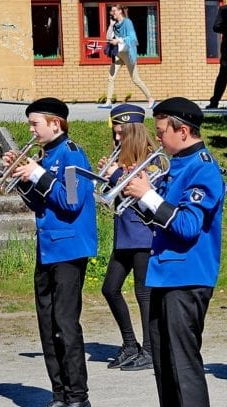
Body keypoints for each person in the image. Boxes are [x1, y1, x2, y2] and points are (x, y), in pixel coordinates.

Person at [123, 97, 224, 407]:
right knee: (164, 369)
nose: (157, 139)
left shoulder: (203, 171)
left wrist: (148, 195)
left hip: (188, 278)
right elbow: (159, 220)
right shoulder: (175, 166)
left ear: (183, 131)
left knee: (185, 369)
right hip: (163, 276)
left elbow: (185, 228)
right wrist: (135, 192)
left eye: (162, 131)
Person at [4, 98, 97, 407]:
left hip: (70, 250)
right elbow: (40, 204)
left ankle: (78, 398)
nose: (31, 130)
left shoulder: (71, 154)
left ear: (55, 123)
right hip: (49, 248)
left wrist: (38, 174)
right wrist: (23, 177)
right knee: (47, 325)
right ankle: (59, 395)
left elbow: (71, 201)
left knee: (65, 324)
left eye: (35, 124)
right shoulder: (48, 157)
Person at [99, 104, 156, 371]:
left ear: (133, 131)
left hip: (144, 235)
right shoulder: (121, 157)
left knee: (143, 293)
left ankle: (150, 349)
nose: (117, 138)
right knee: (110, 288)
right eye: (115, 133)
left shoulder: (151, 159)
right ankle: (130, 343)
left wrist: (118, 176)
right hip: (124, 233)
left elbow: (148, 196)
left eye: (121, 133)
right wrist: (107, 175)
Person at [100, 4, 156, 109]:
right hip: (118, 54)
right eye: (111, 11)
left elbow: (132, 37)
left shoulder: (127, 22)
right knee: (110, 78)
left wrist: (119, 40)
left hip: (128, 53)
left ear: (120, 11)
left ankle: (151, 99)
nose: (112, 13)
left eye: (114, 11)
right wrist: (111, 26)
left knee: (135, 78)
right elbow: (108, 38)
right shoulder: (115, 24)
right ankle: (108, 102)